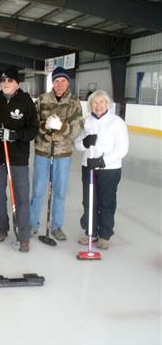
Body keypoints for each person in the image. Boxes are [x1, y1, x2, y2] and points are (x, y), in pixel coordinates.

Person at [0, 67, 38, 252]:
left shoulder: (26, 102)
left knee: (22, 198)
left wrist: (15, 135)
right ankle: (2, 228)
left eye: (10, 80)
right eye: (3, 80)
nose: (6, 83)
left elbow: (33, 129)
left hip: (18, 159)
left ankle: (23, 234)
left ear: (17, 83)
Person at [30, 66, 83, 241]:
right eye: (56, 81)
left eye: (63, 81)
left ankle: (56, 226)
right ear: (52, 82)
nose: (60, 84)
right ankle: (32, 223)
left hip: (63, 154)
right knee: (38, 190)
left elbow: (77, 129)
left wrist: (62, 127)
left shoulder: (74, 102)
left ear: (68, 83)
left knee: (59, 191)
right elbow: (32, 124)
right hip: (43, 152)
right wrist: (45, 126)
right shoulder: (42, 100)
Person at [75, 90, 128, 249]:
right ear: (90, 105)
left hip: (109, 170)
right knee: (89, 201)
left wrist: (102, 161)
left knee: (106, 202)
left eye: (102, 102)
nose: (98, 106)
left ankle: (105, 234)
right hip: (88, 167)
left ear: (107, 104)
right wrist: (84, 142)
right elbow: (77, 144)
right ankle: (91, 232)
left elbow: (122, 149)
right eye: (94, 103)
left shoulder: (116, 122)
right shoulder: (86, 122)